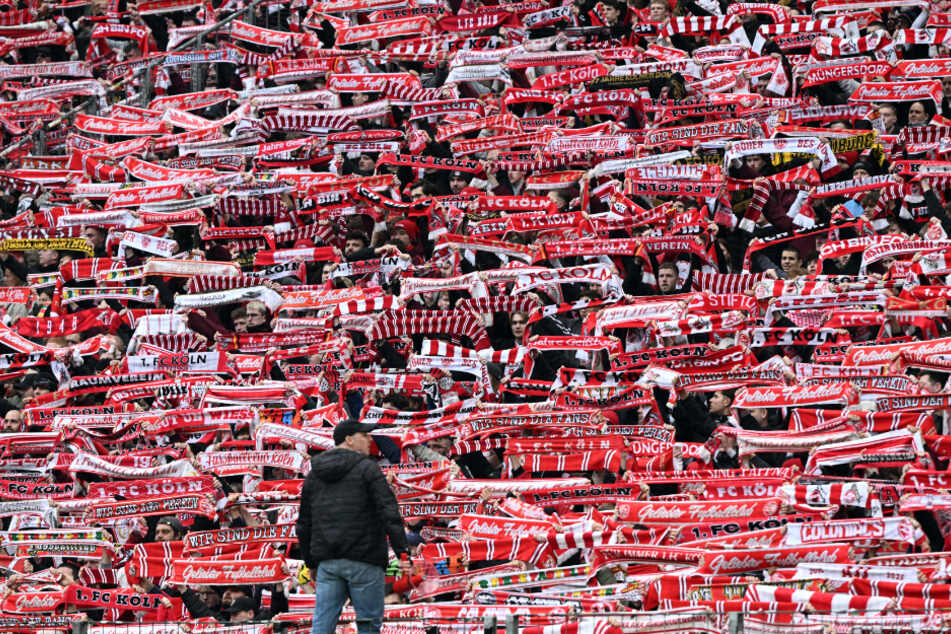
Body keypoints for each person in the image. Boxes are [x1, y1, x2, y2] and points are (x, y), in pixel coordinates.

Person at [297, 420, 410, 634]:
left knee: (321, 625)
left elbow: (303, 524)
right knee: (368, 626)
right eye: (364, 435)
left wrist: (311, 562)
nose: (370, 440)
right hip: (365, 560)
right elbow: (389, 513)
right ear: (349, 440)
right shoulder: (368, 469)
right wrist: (403, 554)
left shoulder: (314, 474)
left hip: (328, 562)